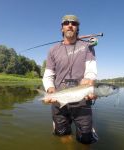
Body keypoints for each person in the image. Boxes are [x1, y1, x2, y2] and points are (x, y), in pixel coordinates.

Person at [42, 14, 98, 144]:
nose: (70, 25)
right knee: (63, 134)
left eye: (74, 23)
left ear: (77, 28)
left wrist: (89, 80)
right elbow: (49, 74)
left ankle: (87, 133)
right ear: (62, 28)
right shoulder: (52, 50)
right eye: (66, 23)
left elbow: (91, 69)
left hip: (82, 101)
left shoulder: (87, 46)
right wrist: (50, 90)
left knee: (86, 139)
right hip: (59, 101)